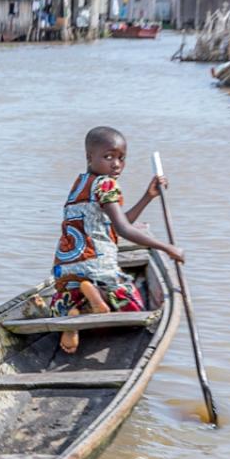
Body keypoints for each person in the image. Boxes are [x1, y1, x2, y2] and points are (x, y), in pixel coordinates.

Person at [50, 126, 185, 353]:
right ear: (89, 157)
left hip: (65, 271)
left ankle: (76, 310)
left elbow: (117, 223)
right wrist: (167, 248)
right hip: (97, 266)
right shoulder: (106, 184)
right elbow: (122, 229)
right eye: (108, 157)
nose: (116, 164)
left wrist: (148, 196)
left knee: (63, 303)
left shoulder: (80, 185)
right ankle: (97, 296)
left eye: (121, 158)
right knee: (133, 305)